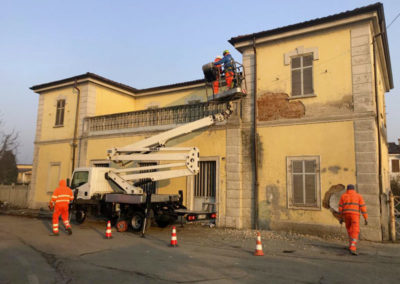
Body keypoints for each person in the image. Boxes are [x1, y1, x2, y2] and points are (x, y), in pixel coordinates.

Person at [338, 184, 368, 255]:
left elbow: (340, 208)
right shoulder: (358, 196)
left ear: (347, 190)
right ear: (354, 189)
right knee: (355, 230)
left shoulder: (343, 196)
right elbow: (363, 208)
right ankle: (352, 247)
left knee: (349, 230)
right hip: (355, 216)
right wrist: (365, 218)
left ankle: (350, 245)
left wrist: (341, 218)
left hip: (346, 216)